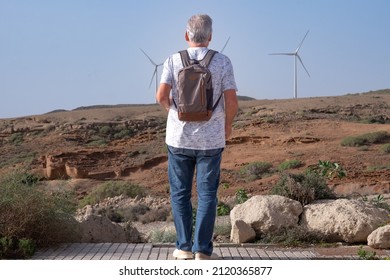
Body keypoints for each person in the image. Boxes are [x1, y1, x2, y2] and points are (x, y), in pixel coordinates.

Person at [156, 14, 238, 260]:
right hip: (211, 140)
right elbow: (231, 101)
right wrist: (226, 125)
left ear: (186, 35)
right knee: (207, 194)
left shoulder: (173, 60)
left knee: (180, 193)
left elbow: (161, 96)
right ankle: (202, 249)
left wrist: (178, 113)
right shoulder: (222, 61)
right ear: (210, 37)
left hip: (179, 139)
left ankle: (183, 247)